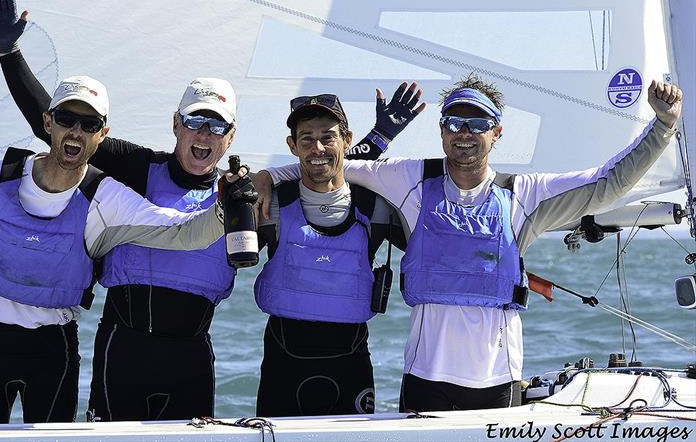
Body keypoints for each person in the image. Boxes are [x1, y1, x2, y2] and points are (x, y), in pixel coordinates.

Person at [0, 0, 405, 420]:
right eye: (195, 122)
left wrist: (376, 141)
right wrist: (9, 53)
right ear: (176, 124)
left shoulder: (242, 195)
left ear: (231, 138)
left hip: (191, 357)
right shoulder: (137, 167)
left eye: (216, 126)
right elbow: (55, 132)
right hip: (123, 348)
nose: (203, 135)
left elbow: (320, 165)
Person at [256, 73, 683, 412]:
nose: (465, 132)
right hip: (424, 379)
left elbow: (608, 183)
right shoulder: (410, 179)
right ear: (442, 131)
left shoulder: (524, 195)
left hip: (497, 382)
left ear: (496, 132)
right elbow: (322, 165)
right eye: (455, 123)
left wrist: (662, 126)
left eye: (477, 123)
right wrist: (262, 178)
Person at [0, 74, 253, 424]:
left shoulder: (106, 197)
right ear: (48, 122)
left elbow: (183, 232)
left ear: (102, 135)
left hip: (55, 349)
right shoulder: (0, 177)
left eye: (89, 123)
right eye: (67, 119)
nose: (76, 131)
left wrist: (226, 207)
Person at [253, 88, 424, 417]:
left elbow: (430, 253)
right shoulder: (269, 203)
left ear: (347, 140)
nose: (317, 148)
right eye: (306, 139)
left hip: (351, 367)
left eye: (328, 137)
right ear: (292, 146)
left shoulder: (378, 206)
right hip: (283, 367)